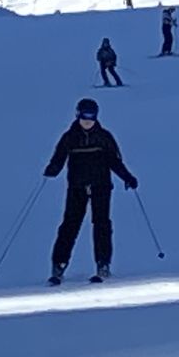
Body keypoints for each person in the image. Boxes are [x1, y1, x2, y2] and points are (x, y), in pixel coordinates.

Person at [43, 97, 138, 284]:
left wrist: (127, 177)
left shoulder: (104, 137)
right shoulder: (69, 137)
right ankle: (59, 265)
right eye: (85, 116)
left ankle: (103, 264)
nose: (88, 120)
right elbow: (59, 157)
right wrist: (52, 169)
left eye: (92, 117)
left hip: (101, 186)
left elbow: (115, 161)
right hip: (77, 187)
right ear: (78, 115)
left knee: (101, 224)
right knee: (70, 224)